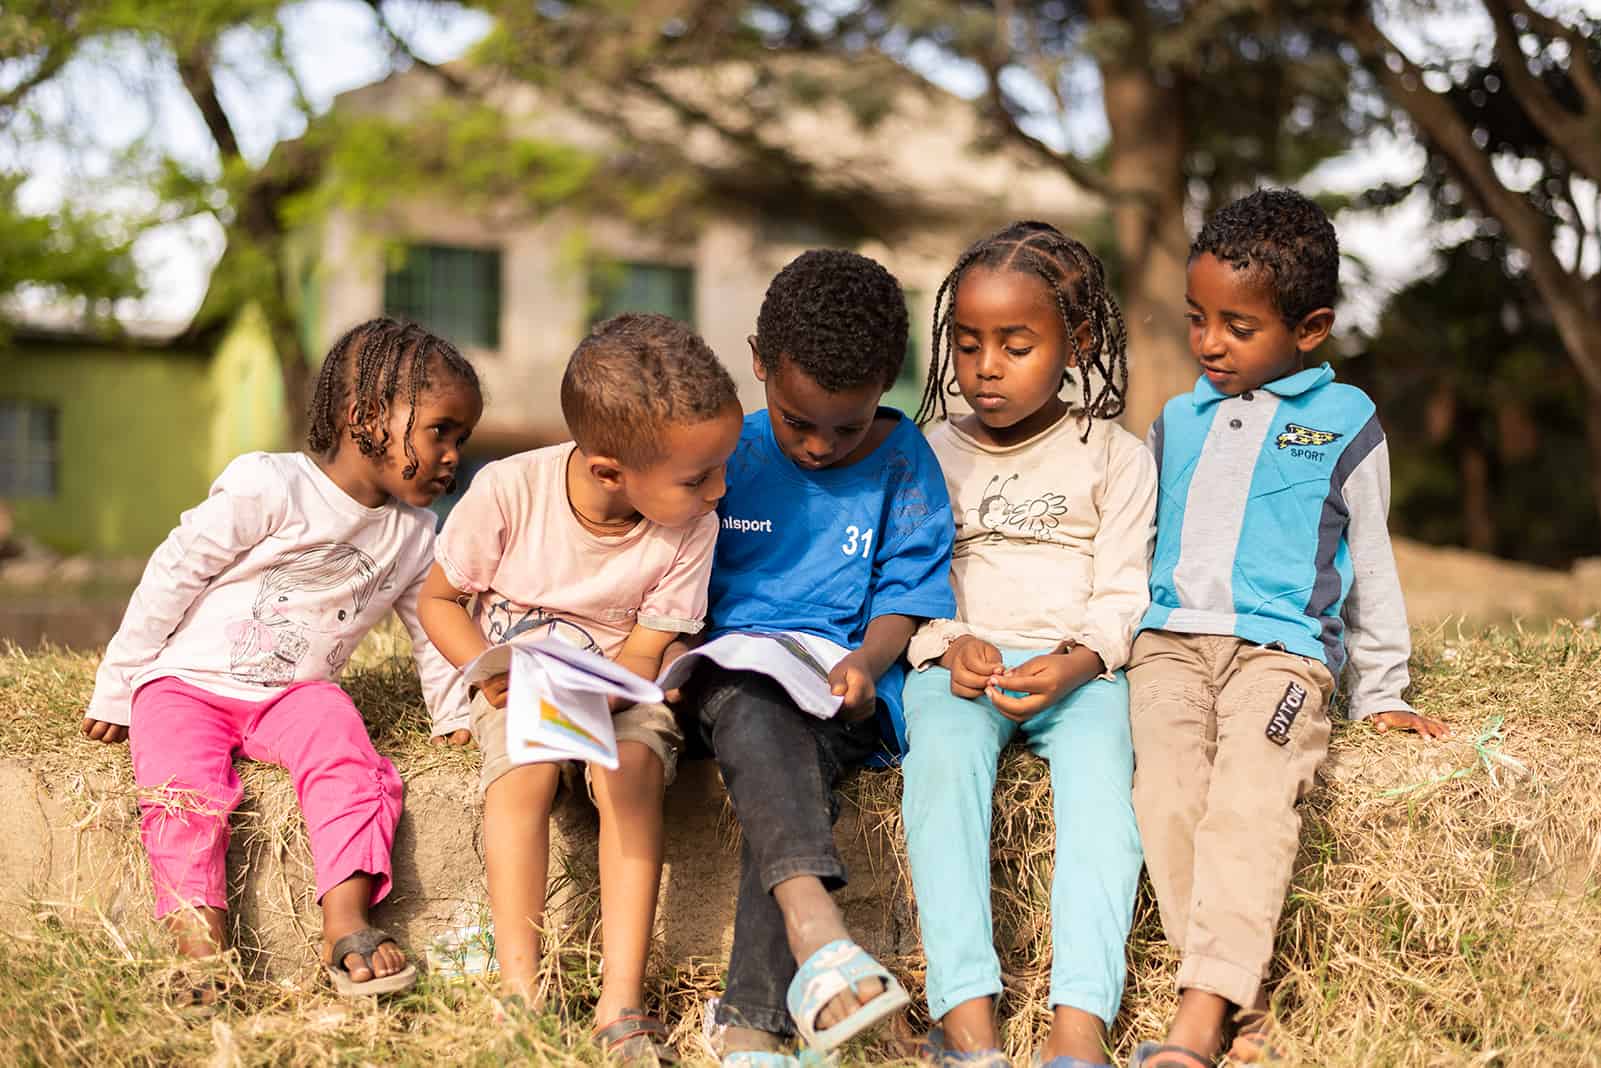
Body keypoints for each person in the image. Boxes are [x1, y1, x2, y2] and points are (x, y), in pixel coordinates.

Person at [1127, 189, 1450, 1068]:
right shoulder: (1174, 420)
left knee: (1249, 796)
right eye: (1197, 320)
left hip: (1280, 658)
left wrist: (1381, 690)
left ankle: (1196, 1021)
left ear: (1308, 328)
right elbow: (1138, 540)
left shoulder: (1346, 422)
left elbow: (1372, 564)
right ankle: (1246, 998)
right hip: (1164, 647)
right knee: (1162, 793)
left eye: (1237, 326)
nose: (1208, 344)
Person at [82, 317, 483, 1001]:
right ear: (365, 417)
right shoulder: (269, 485)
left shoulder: (418, 535)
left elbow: (430, 630)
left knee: (349, 753)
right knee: (184, 796)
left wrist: (453, 715)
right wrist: (119, 687)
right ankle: (197, 950)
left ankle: (346, 922)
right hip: (187, 686)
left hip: (294, 695)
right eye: (439, 430)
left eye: (460, 439)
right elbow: (173, 574)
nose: (451, 455)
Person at [417, 313, 743, 1065]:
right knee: (525, 778)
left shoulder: (690, 526)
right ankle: (520, 994)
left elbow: (646, 650)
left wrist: (618, 696)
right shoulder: (506, 491)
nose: (720, 489)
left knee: (628, 773)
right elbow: (439, 600)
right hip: (516, 687)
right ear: (606, 471)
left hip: (623, 690)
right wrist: (489, 668)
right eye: (698, 477)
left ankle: (620, 1002)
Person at [679, 249, 957, 1066]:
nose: (818, 446)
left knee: (788, 752)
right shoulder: (723, 449)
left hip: (842, 691)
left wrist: (869, 664)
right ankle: (807, 940)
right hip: (723, 686)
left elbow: (907, 592)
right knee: (752, 697)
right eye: (797, 422)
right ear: (759, 364)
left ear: (885, 385)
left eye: (846, 425)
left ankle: (752, 1026)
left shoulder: (904, 460)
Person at [900, 221, 1156, 1068]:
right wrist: (947, 642)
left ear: (1075, 341)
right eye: (966, 344)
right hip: (960, 667)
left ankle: (1078, 1023)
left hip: (1077, 671)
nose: (985, 366)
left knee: (1104, 796)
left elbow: (1124, 589)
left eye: (1015, 344)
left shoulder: (1113, 457)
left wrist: (1079, 662)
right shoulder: (928, 452)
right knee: (939, 772)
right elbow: (909, 578)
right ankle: (966, 1016)